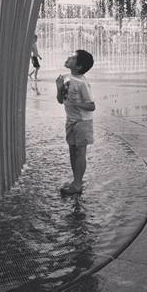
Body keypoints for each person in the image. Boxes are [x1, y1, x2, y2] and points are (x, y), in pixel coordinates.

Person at [56, 50, 95, 195]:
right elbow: (60, 101)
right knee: (72, 151)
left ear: (78, 67)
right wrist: (59, 88)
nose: (68, 58)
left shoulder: (83, 83)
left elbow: (91, 106)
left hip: (83, 122)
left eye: (72, 58)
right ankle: (76, 180)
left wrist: (77, 104)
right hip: (70, 121)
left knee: (80, 152)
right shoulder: (66, 78)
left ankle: (78, 184)